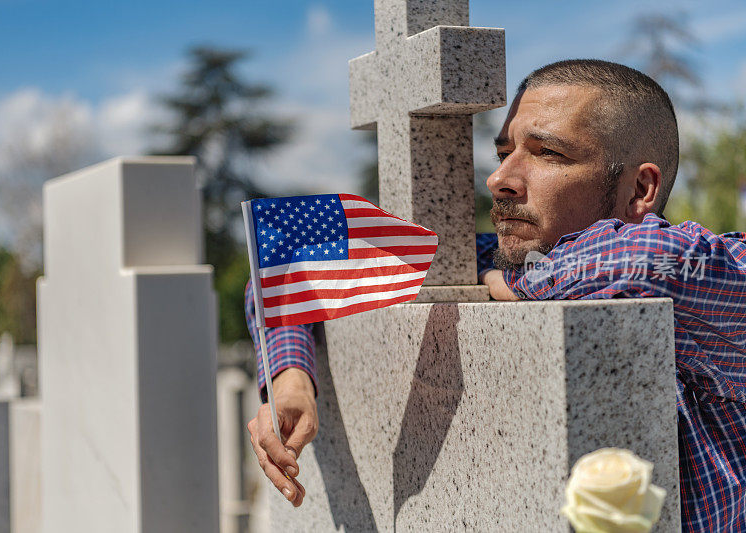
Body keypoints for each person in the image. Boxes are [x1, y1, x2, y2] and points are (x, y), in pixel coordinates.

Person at [244, 59, 746, 531]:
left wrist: (521, 285)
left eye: (548, 153)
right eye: (505, 153)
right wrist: (291, 381)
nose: (500, 179)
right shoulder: (502, 258)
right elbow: (287, 266)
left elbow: (646, 258)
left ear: (640, 189)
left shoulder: (713, 278)